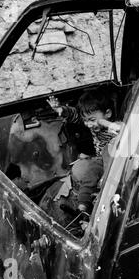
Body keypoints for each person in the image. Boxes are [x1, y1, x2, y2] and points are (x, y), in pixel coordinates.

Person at [47, 89, 122, 218]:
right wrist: (61, 110)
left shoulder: (114, 127)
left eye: (92, 120)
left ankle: (107, 188)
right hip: (99, 160)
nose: (88, 125)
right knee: (89, 175)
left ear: (108, 113)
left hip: (115, 163)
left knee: (107, 152)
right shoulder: (92, 122)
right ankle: (82, 207)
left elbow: (123, 130)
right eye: (86, 120)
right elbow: (74, 115)